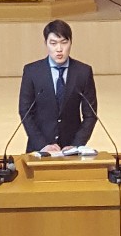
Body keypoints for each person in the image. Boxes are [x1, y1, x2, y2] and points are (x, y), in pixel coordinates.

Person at [18, 19, 98, 153]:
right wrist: (42, 145)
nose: (59, 49)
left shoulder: (83, 72)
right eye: (53, 43)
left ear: (71, 42)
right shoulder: (32, 72)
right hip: (39, 150)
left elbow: (90, 115)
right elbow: (25, 112)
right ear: (46, 44)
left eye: (64, 42)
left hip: (71, 150)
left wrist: (76, 145)